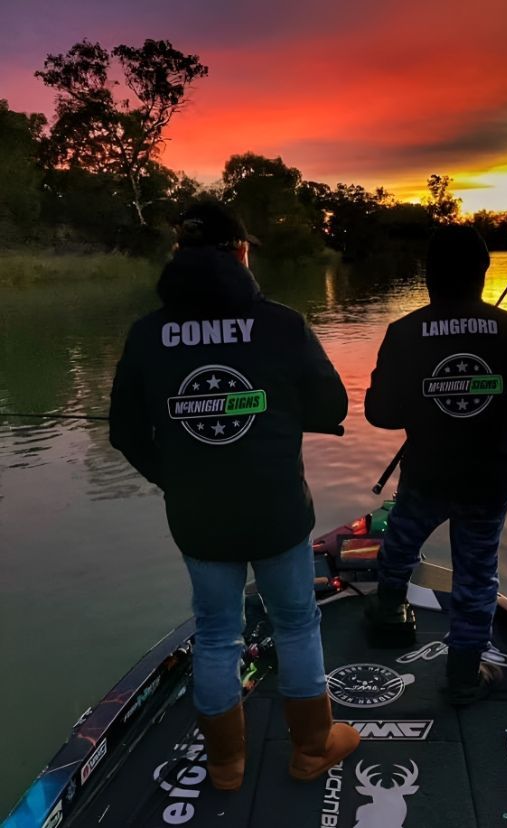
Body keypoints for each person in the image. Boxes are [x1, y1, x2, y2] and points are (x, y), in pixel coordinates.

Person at [109, 201, 359, 790]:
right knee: (296, 623)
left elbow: (124, 433)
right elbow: (332, 408)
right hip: (275, 508)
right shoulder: (280, 324)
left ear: (178, 256)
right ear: (241, 252)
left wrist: (175, 476)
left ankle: (225, 764)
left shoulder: (147, 335)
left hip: (199, 516)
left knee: (217, 631)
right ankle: (312, 748)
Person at [364, 225, 507, 706]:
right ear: (484, 273)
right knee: (477, 575)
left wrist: (422, 403)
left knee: (400, 542)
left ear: (428, 274)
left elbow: (380, 413)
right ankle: (464, 677)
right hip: (490, 481)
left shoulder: (403, 332)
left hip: (427, 475)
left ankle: (387, 615)